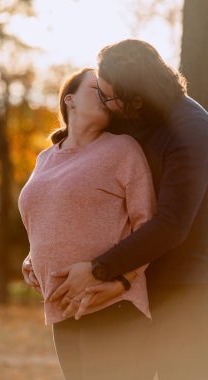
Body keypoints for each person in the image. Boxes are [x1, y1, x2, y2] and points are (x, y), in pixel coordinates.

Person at [37, 39, 208, 379]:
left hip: (186, 289)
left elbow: (172, 224)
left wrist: (101, 269)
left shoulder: (192, 129)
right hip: (136, 281)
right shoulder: (133, 115)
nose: (107, 104)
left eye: (111, 96)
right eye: (101, 93)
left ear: (137, 94)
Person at [19, 67, 156, 379]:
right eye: (97, 88)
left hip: (112, 303)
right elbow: (44, 216)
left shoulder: (122, 149)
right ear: (70, 100)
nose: (106, 96)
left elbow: (147, 226)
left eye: (111, 92)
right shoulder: (45, 158)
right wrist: (31, 257)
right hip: (63, 308)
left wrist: (121, 281)